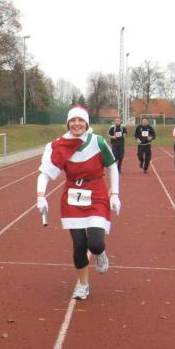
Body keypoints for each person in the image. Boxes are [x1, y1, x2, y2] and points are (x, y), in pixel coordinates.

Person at [36, 105, 122, 300]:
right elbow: (45, 174)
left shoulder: (98, 142)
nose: (76, 124)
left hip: (96, 193)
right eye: (73, 120)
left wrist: (115, 194)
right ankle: (83, 285)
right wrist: (41, 195)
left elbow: (112, 167)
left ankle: (100, 253)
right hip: (73, 197)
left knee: (96, 243)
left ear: (86, 123)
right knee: (79, 244)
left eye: (80, 120)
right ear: (68, 123)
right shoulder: (58, 146)